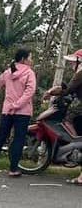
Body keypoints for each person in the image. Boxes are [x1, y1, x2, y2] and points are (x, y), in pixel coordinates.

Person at [0, 47, 36, 177]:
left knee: (1, 137)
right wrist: (18, 105)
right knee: (18, 139)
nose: (31, 60)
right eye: (30, 57)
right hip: (22, 112)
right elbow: (29, 92)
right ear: (24, 59)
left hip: (7, 111)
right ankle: (13, 169)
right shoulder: (29, 73)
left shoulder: (8, 72)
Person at [44, 49, 82, 186]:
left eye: (73, 62)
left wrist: (50, 92)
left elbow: (67, 89)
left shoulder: (80, 73)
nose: (72, 65)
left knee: (68, 119)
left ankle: (76, 144)